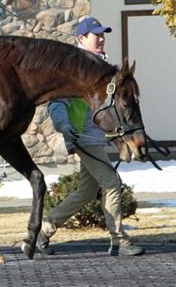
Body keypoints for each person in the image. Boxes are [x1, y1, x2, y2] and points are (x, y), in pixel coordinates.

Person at [37, 17, 145, 256]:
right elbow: (57, 104)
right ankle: (119, 240)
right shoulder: (71, 69)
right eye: (97, 35)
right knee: (112, 182)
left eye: (103, 34)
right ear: (81, 39)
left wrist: (122, 138)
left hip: (96, 137)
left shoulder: (102, 69)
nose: (102, 38)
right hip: (81, 136)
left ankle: (42, 231)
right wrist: (65, 127)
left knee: (85, 192)